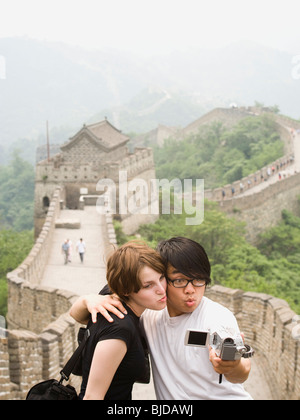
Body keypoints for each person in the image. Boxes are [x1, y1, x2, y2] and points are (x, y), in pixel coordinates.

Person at [70, 237, 252, 400]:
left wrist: (232, 366)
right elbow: (83, 317)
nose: (191, 290)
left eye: (199, 280)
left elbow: (241, 373)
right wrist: (88, 299)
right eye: (179, 280)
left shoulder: (217, 317)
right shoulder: (149, 309)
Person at [71, 240, 167, 400]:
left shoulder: (109, 296)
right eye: (148, 285)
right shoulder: (120, 329)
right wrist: (86, 300)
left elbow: (77, 315)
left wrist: (86, 300)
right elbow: (92, 397)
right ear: (126, 289)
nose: (161, 290)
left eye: (162, 278)